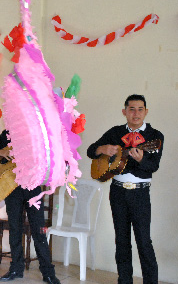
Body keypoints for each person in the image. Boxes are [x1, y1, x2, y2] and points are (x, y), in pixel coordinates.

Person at [87, 94, 163, 284]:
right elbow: (91, 151)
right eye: (131, 109)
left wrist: (141, 158)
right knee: (121, 240)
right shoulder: (115, 132)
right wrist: (103, 149)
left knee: (144, 241)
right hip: (118, 192)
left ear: (146, 111)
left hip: (140, 193)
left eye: (140, 109)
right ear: (124, 112)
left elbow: (153, 166)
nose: (135, 113)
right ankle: (124, 280)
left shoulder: (155, 137)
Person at [0, 130, 60, 284]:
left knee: (39, 230)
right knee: (15, 229)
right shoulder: (9, 132)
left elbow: (52, 155)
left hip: (33, 187)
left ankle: (48, 273)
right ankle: (16, 269)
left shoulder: (38, 131)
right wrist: (1, 151)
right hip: (12, 188)